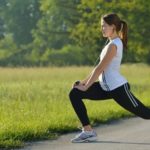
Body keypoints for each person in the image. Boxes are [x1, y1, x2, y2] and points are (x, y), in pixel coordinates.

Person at [69, 13, 150, 143]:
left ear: (113, 27)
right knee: (75, 93)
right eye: (101, 26)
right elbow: (98, 69)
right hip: (105, 87)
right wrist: (82, 83)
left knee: (146, 114)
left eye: (104, 26)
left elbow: (100, 68)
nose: (102, 29)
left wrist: (86, 86)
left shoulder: (114, 45)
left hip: (118, 88)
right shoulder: (111, 43)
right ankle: (88, 131)